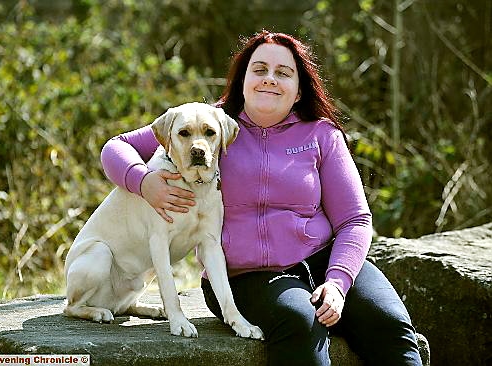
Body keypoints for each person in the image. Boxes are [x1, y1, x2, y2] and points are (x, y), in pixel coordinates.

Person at [100, 30, 423, 365]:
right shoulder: (210, 124)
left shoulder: (322, 134)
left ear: (298, 91)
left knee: (390, 323)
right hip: (247, 276)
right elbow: (116, 147)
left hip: (322, 259)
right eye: (259, 70)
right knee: (300, 321)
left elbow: (355, 219)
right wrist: (143, 182)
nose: (270, 79)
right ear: (243, 80)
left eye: (283, 73)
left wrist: (338, 282)